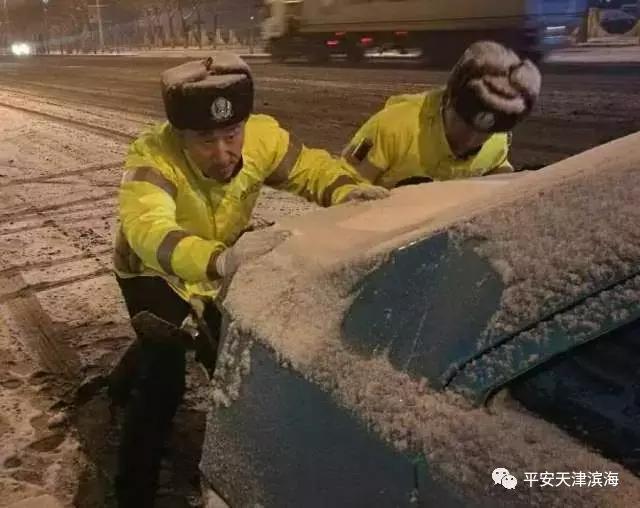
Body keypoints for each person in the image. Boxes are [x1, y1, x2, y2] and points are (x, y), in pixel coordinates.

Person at [111, 52, 388, 507]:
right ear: (179, 136)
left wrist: (344, 188)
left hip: (219, 261)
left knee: (225, 355)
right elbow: (149, 231)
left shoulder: (263, 137)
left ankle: (125, 375)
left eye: (231, 134)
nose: (223, 152)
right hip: (152, 269)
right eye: (205, 140)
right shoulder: (151, 157)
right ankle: (130, 492)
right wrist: (220, 261)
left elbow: (312, 169)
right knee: (165, 380)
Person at [341, 41, 542, 188]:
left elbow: (497, 170)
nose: (470, 139)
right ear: (448, 100)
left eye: (484, 134)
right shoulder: (392, 127)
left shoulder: (498, 140)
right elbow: (343, 189)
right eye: (462, 123)